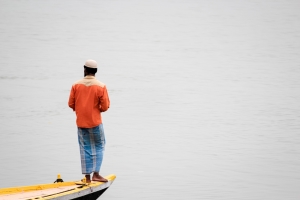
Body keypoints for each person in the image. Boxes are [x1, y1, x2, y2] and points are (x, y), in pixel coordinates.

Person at [68, 59, 110, 183]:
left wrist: (81, 108)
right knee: (99, 146)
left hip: (81, 123)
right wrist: (97, 110)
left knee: (84, 147)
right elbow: (105, 106)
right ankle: (96, 174)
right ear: (96, 71)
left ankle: (87, 177)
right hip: (95, 122)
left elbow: (71, 104)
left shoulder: (76, 85)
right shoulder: (101, 86)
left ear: (85, 69)